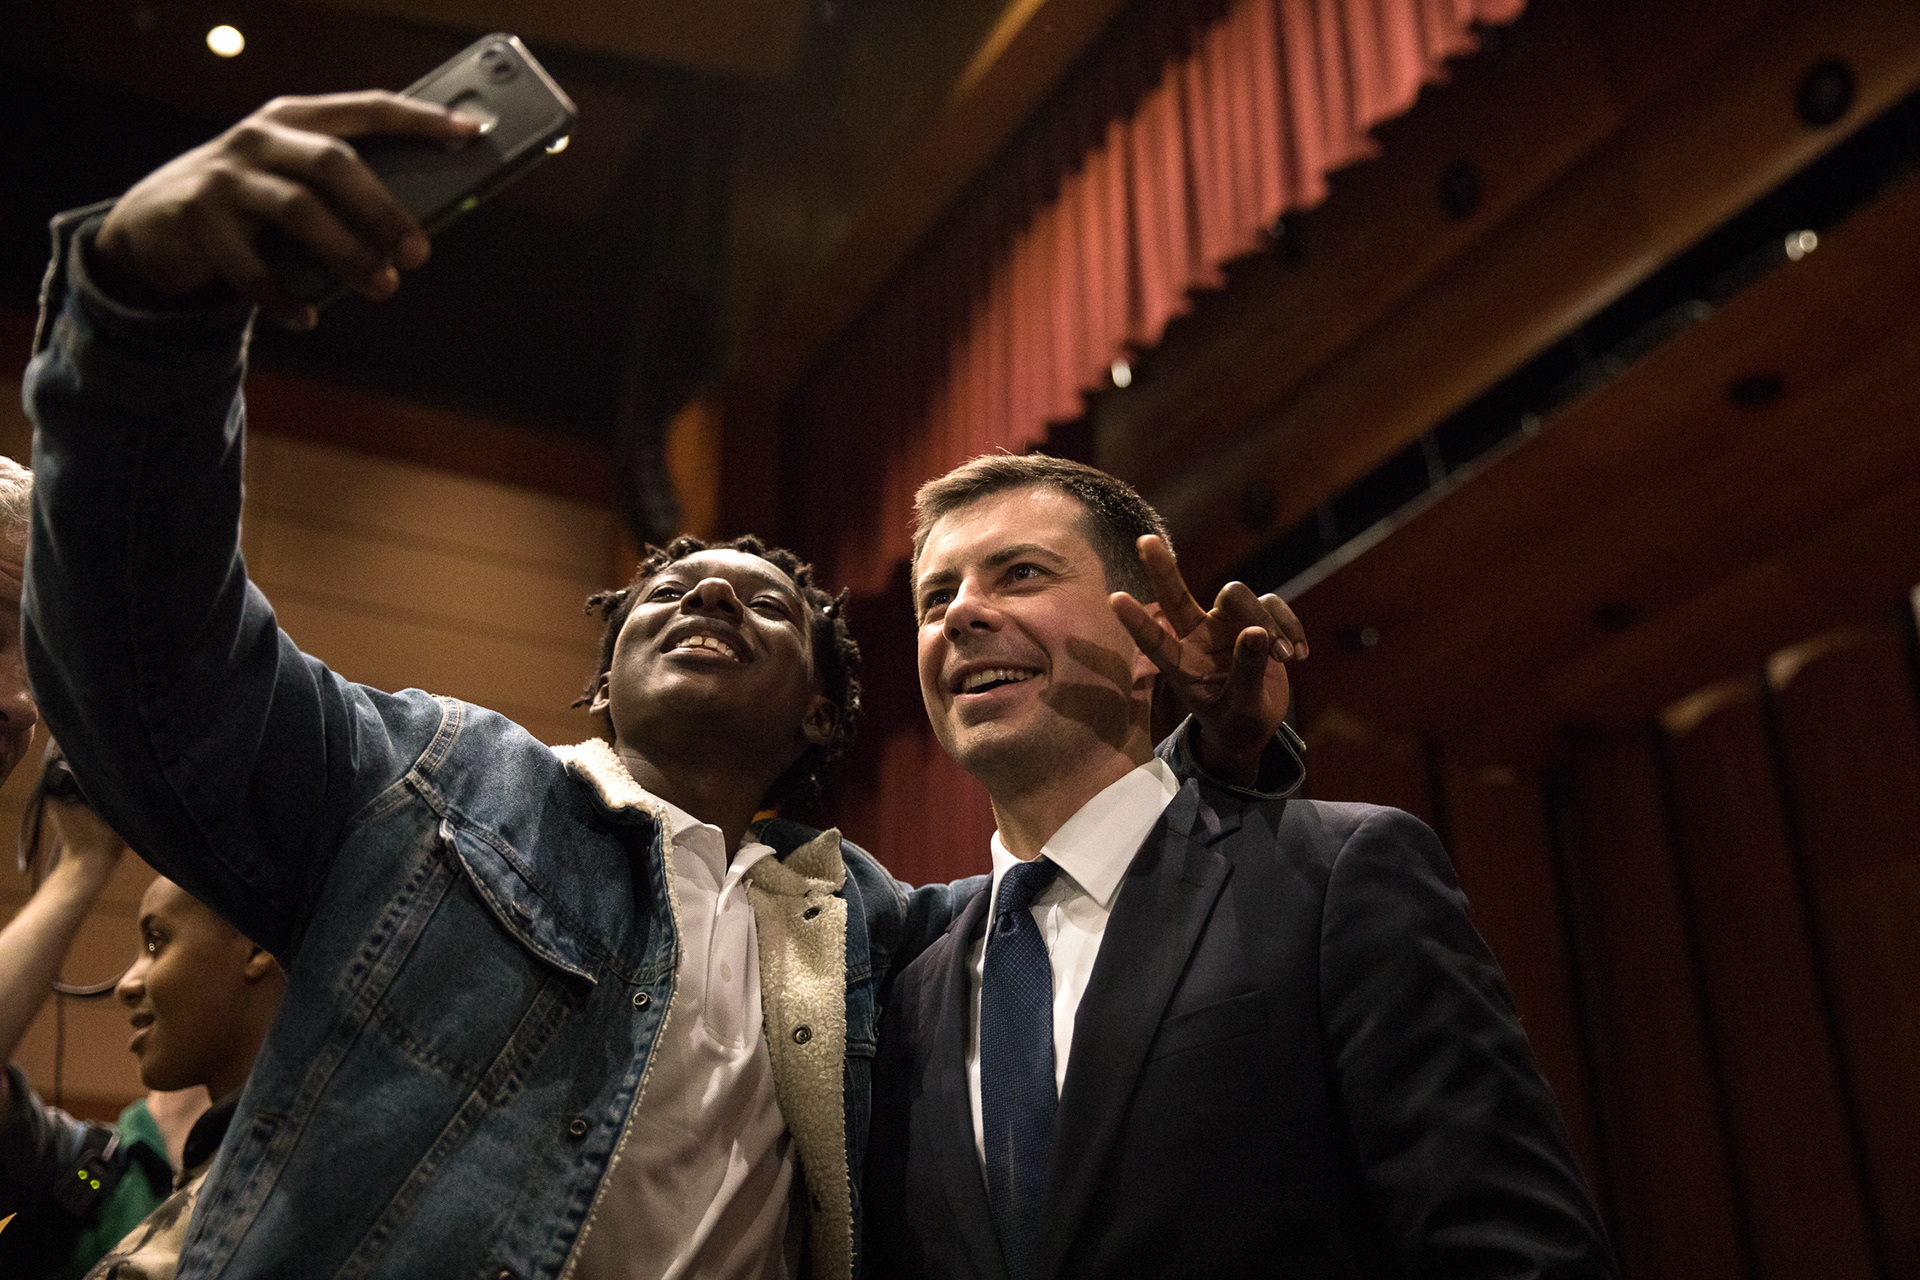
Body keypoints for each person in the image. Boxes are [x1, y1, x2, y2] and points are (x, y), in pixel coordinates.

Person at [19, 92, 1303, 1279]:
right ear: (605, 674)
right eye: (667, 590)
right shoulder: (427, 783)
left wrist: (1208, 766)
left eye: (761, 599)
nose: (702, 595)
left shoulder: (880, 932)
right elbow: (158, 671)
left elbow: (1086, 901)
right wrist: (141, 319)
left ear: (817, 706)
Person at [865, 454, 1617, 1280]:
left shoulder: (1335, 876)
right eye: (937, 598)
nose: (963, 613)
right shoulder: (905, 995)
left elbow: (1516, 1251)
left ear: (1150, 637)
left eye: (1019, 574)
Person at [0, 774, 282, 1279]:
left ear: (257, 946)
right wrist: (82, 864)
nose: (125, 983)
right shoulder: (90, 1171)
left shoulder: (321, 1173)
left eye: (155, 943)